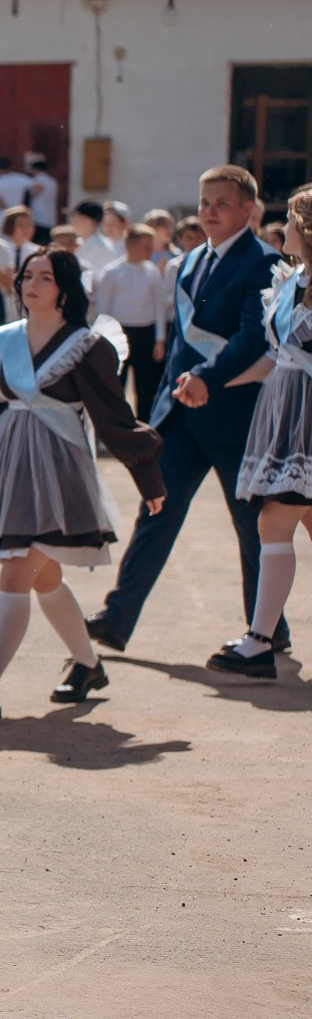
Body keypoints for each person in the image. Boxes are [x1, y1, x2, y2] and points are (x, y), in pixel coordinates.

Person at [0, 249, 165, 717]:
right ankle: (88, 664)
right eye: (27, 275)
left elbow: (115, 417)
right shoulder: (1, 341)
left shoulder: (87, 345)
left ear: (65, 289)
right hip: (8, 467)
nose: (32, 283)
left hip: (59, 468)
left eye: (45, 277)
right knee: (42, 575)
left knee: (17, 571)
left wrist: (148, 477)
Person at [88, 166, 287, 655]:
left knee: (251, 524)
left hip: (235, 415)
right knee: (155, 510)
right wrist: (167, 400)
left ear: (247, 210)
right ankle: (117, 617)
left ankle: (267, 628)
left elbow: (252, 336)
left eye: (222, 203)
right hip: (180, 415)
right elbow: (181, 341)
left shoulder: (263, 262)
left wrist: (207, 380)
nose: (210, 212)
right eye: (204, 203)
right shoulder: (191, 259)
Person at [208, 186, 312, 678]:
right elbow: (275, 358)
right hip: (283, 409)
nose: (283, 226)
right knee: (295, 521)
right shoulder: (290, 280)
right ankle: (259, 639)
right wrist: (214, 381)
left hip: (307, 415)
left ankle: (259, 640)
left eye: (291, 219)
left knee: (272, 520)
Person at [95, 223, 170, 419]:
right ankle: (117, 427)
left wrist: (160, 340)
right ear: (130, 245)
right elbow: (104, 310)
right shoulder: (111, 272)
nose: (150, 251)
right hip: (120, 334)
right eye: (146, 246)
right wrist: (105, 341)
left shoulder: (152, 271)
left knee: (145, 387)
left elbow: (159, 307)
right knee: (117, 384)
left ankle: (145, 425)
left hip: (146, 333)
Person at [70, 200, 120, 274]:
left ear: (87, 221)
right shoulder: (81, 241)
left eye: (76, 218)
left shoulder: (100, 245)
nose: (73, 222)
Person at [26, 153, 60, 241]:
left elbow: (32, 195)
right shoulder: (52, 181)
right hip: (50, 217)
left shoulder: (38, 181)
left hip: (39, 217)